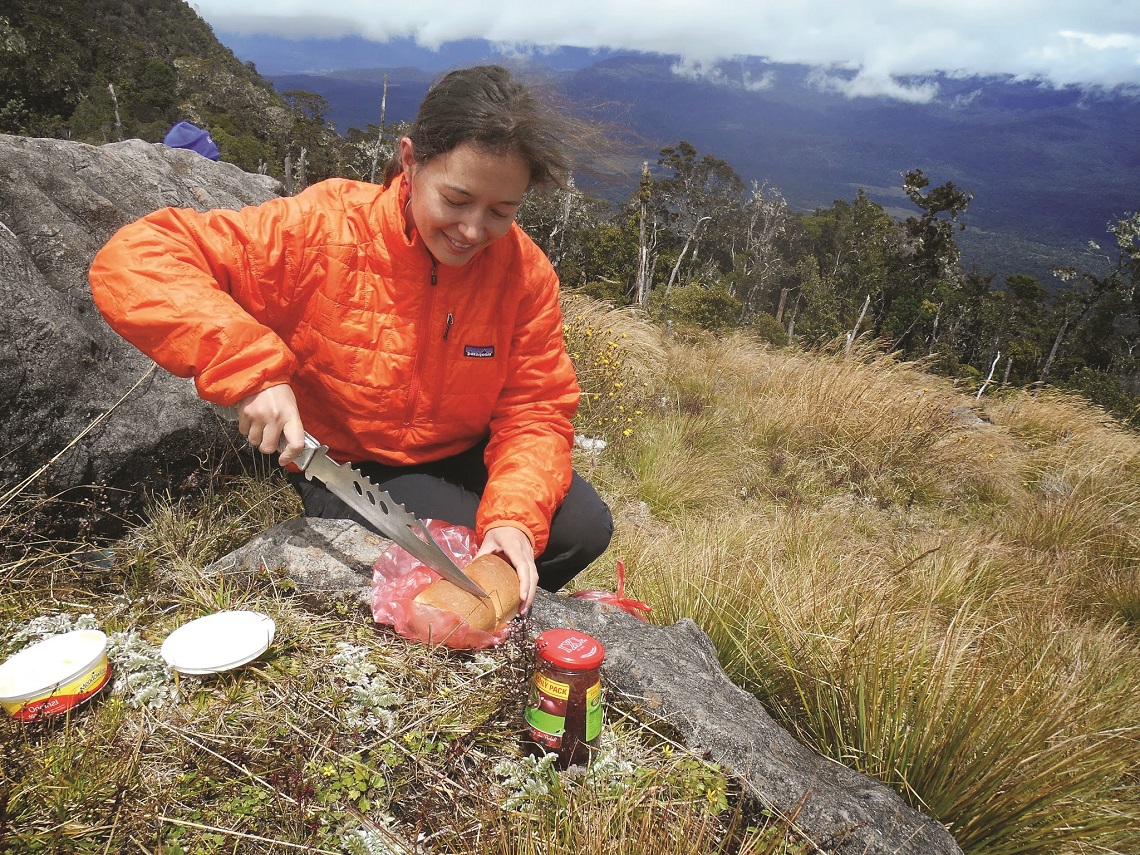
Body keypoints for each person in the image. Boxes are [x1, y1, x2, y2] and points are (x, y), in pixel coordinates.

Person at [89, 65, 613, 613]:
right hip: (349, 462)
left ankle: (479, 608)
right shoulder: (324, 229)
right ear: (410, 162)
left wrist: (512, 518)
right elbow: (138, 256)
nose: (473, 231)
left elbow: (535, 408)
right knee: (452, 546)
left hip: (465, 446)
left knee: (580, 528)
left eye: (501, 211)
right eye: (456, 200)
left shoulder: (522, 272)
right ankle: (460, 612)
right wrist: (250, 370)